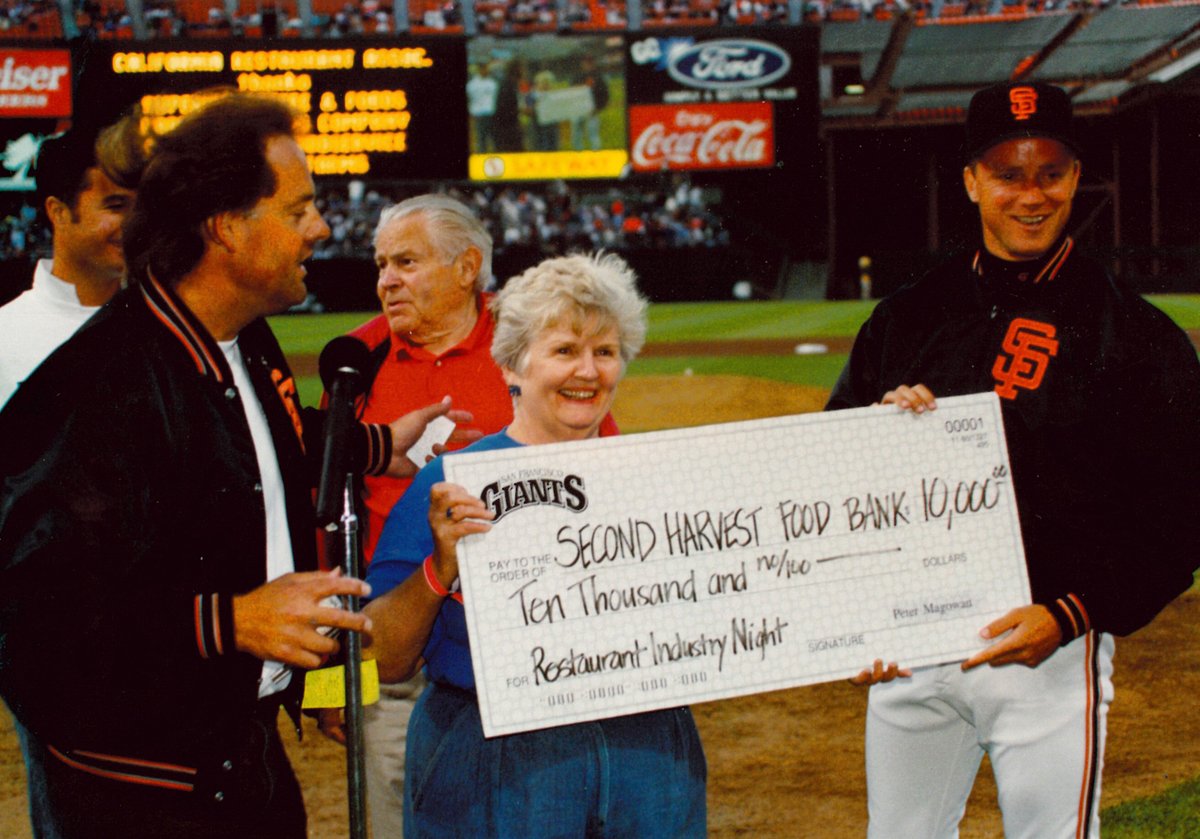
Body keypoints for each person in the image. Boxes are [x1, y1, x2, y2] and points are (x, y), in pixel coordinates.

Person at [0, 93, 465, 839]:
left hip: (240, 762)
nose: (321, 227)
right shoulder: (96, 390)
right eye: (299, 208)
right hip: (137, 797)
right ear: (225, 226)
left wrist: (380, 443)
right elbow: (32, 619)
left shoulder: (241, 342)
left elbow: (266, 443)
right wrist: (233, 618)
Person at [828, 81, 1200, 838]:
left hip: (1046, 650)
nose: (1031, 194)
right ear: (971, 180)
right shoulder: (905, 316)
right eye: (1007, 173)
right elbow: (833, 474)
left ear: (1075, 177)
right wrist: (881, 433)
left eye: (1051, 173)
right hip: (915, 649)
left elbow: (1182, 516)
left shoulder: (1134, 335)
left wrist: (1072, 615)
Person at [363, 252, 707, 837]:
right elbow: (383, 660)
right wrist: (438, 570)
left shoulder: (654, 477)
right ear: (513, 367)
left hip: (647, 749)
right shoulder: (451, 482)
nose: (589, 371)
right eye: (565, 351)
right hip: (494, 750)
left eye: (606, 351)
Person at [317, 194, 619, 835]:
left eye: (405, 261)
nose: (386, 280)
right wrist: (331, 670)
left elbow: (606, 484)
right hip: (398, 650)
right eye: (380, 265)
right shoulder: (353, 363)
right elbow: (326, 519)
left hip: (531, 654)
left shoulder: (533, 350)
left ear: (466, 267)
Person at [0, 112, 142, 407]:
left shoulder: (163, 327)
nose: (134, 223)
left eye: (138, 208)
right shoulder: (7, 335)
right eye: (115, 206)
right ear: (58, 212)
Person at [467, 63, 499, 153]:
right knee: (481, 136)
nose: (485, 71)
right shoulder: (472, 84)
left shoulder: (492, 83)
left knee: (492, 135)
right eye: (483, 69)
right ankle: (481, 153)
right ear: (479, 70)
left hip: (491, 112)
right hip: (478, 113)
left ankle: (493, 153)